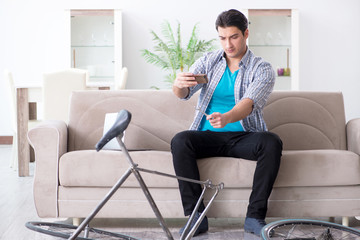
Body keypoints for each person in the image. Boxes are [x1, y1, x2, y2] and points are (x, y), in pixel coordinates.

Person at [171, 9, 283, 236]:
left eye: (234, 37)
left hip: (245, 136)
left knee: (272, 142)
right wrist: (179, 83)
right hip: (208, 136)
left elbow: (250, 103)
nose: (228, 44)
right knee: (180, 140)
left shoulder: (262, 68)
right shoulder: (208, 61)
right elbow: (183, 93)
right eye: (222, 38)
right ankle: (196, 218)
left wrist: (226, 118)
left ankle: (254, 217)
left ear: (246, 33)